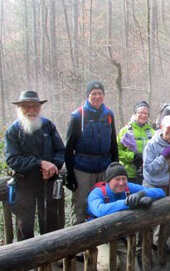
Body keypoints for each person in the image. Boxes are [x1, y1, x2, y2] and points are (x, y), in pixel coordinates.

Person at [4, 91, 65, 241]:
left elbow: (60, 150)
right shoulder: (13, 131)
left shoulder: (48, 126)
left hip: (48, 181)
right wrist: (40, 163)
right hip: (25, 183)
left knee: (51, 220)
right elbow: (12, 159)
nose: (31, 110)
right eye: (27, 107)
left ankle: (52, 256)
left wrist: (53, 167)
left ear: (39, 107)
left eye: (35, 106)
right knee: (25, 224)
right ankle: (27, 261)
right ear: (20, 108)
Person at [87, 162, 165, 271]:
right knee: (108, 265)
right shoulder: (97, 193)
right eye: (117, 179)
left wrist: (142, 195)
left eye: (124, 179)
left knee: (132, 267)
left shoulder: (128, 188)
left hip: (119, 236)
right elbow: (100, 210)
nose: (121, 183)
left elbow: (160, 192)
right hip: (98, 237)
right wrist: (127, 202)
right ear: (108, 181)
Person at [65, 80, 119, 226]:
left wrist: (115, 167)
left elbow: (113, 143)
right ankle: (78, 243)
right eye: (93, 94)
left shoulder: (108, 114)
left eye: (100, 93)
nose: (97, 97)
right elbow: (69, 148)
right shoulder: (78, 116)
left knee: (105, 202)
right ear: (87, 96)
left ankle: (102, 242)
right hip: (83, 169)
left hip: (104, 167)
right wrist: (70, 174)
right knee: (81, 205)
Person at [142, 115, 170, 249]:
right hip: (153, 183)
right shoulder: (151, 144)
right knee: (154, 215)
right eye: (169, 128)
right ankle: (148, 242)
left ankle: (161, 241)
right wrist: (163, 156)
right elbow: (149, 169)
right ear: (162, 127)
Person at [117, 101, 154, 185]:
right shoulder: (125, 131)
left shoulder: (153, 133)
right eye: (140, 113)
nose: (143, 115)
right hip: (128, 174)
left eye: (146, 113)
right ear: (135, 114)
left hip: (147, 175)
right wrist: (133, 157)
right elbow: (117, 152)